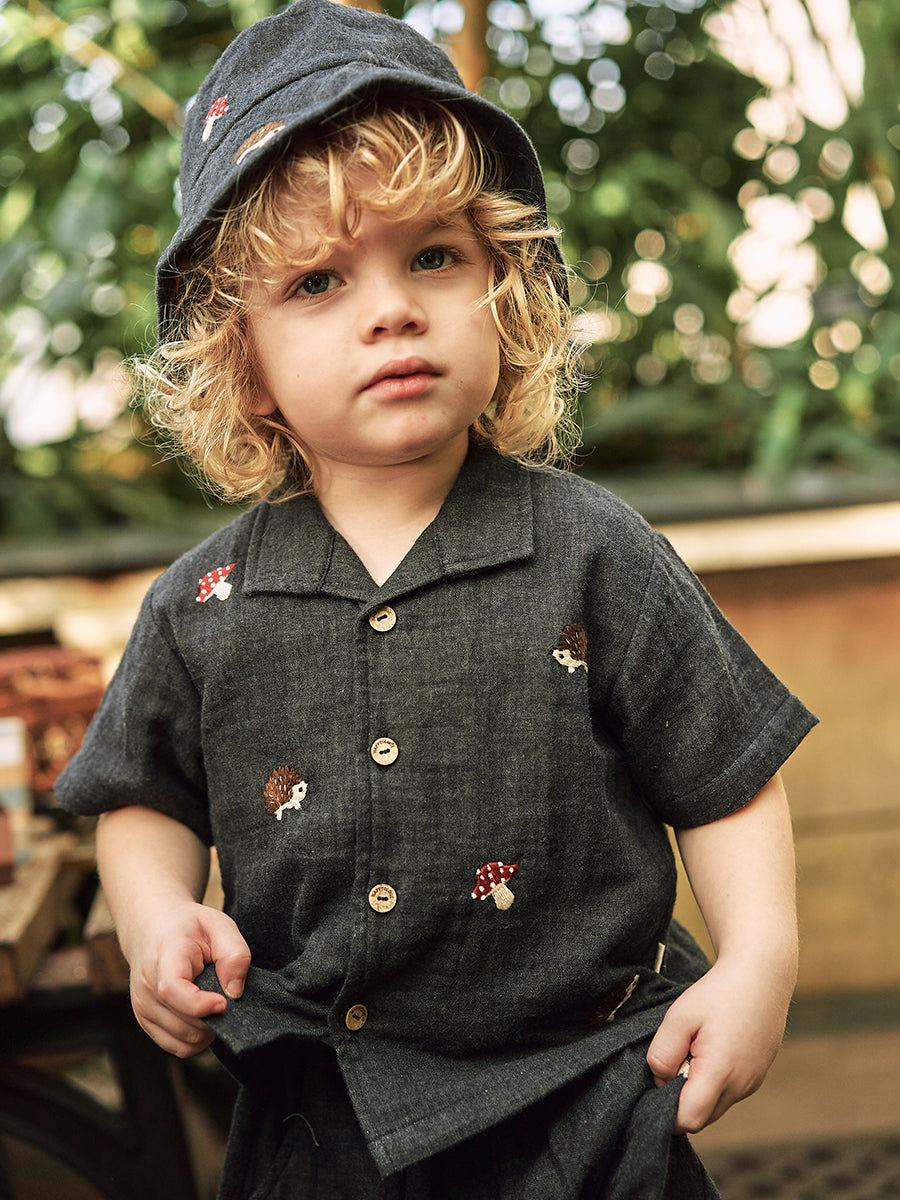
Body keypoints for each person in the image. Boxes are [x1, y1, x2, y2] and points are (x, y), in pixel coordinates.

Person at [56, 2, 818, 1197]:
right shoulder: (202, 602)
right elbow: (143, 794)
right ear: (244, 363)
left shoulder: (595, 550)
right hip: (324, 1121)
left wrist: (759, 965)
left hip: (595, 1098)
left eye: (433, 257)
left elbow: (723, 776)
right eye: (318, 280)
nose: (391, 308)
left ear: (504, 289)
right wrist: (156, 914)